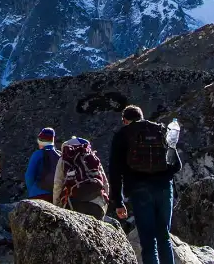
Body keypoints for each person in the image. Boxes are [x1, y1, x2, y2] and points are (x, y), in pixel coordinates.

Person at [110, 105, 182, 264]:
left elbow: (115, 171)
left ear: (125, 120)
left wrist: (118, 202)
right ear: (141, 116)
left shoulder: (122, 135)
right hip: (164, 188)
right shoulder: (160, 130)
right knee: (164, 237)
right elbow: (177, 165)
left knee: (148, 241)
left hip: (139, 190)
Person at [53, 136, 109, 219]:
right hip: (97, 204)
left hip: (74, 203)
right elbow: (105, 183)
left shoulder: (64, 159)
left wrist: (56, 205)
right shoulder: (93, 158)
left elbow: (58, 184)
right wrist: (105, 203)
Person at [24, 127, 59, 201]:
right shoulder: (60, 155)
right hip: (55, 195)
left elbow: (29, 176)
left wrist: (32, 191)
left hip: (38, 194)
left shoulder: (37, 154)